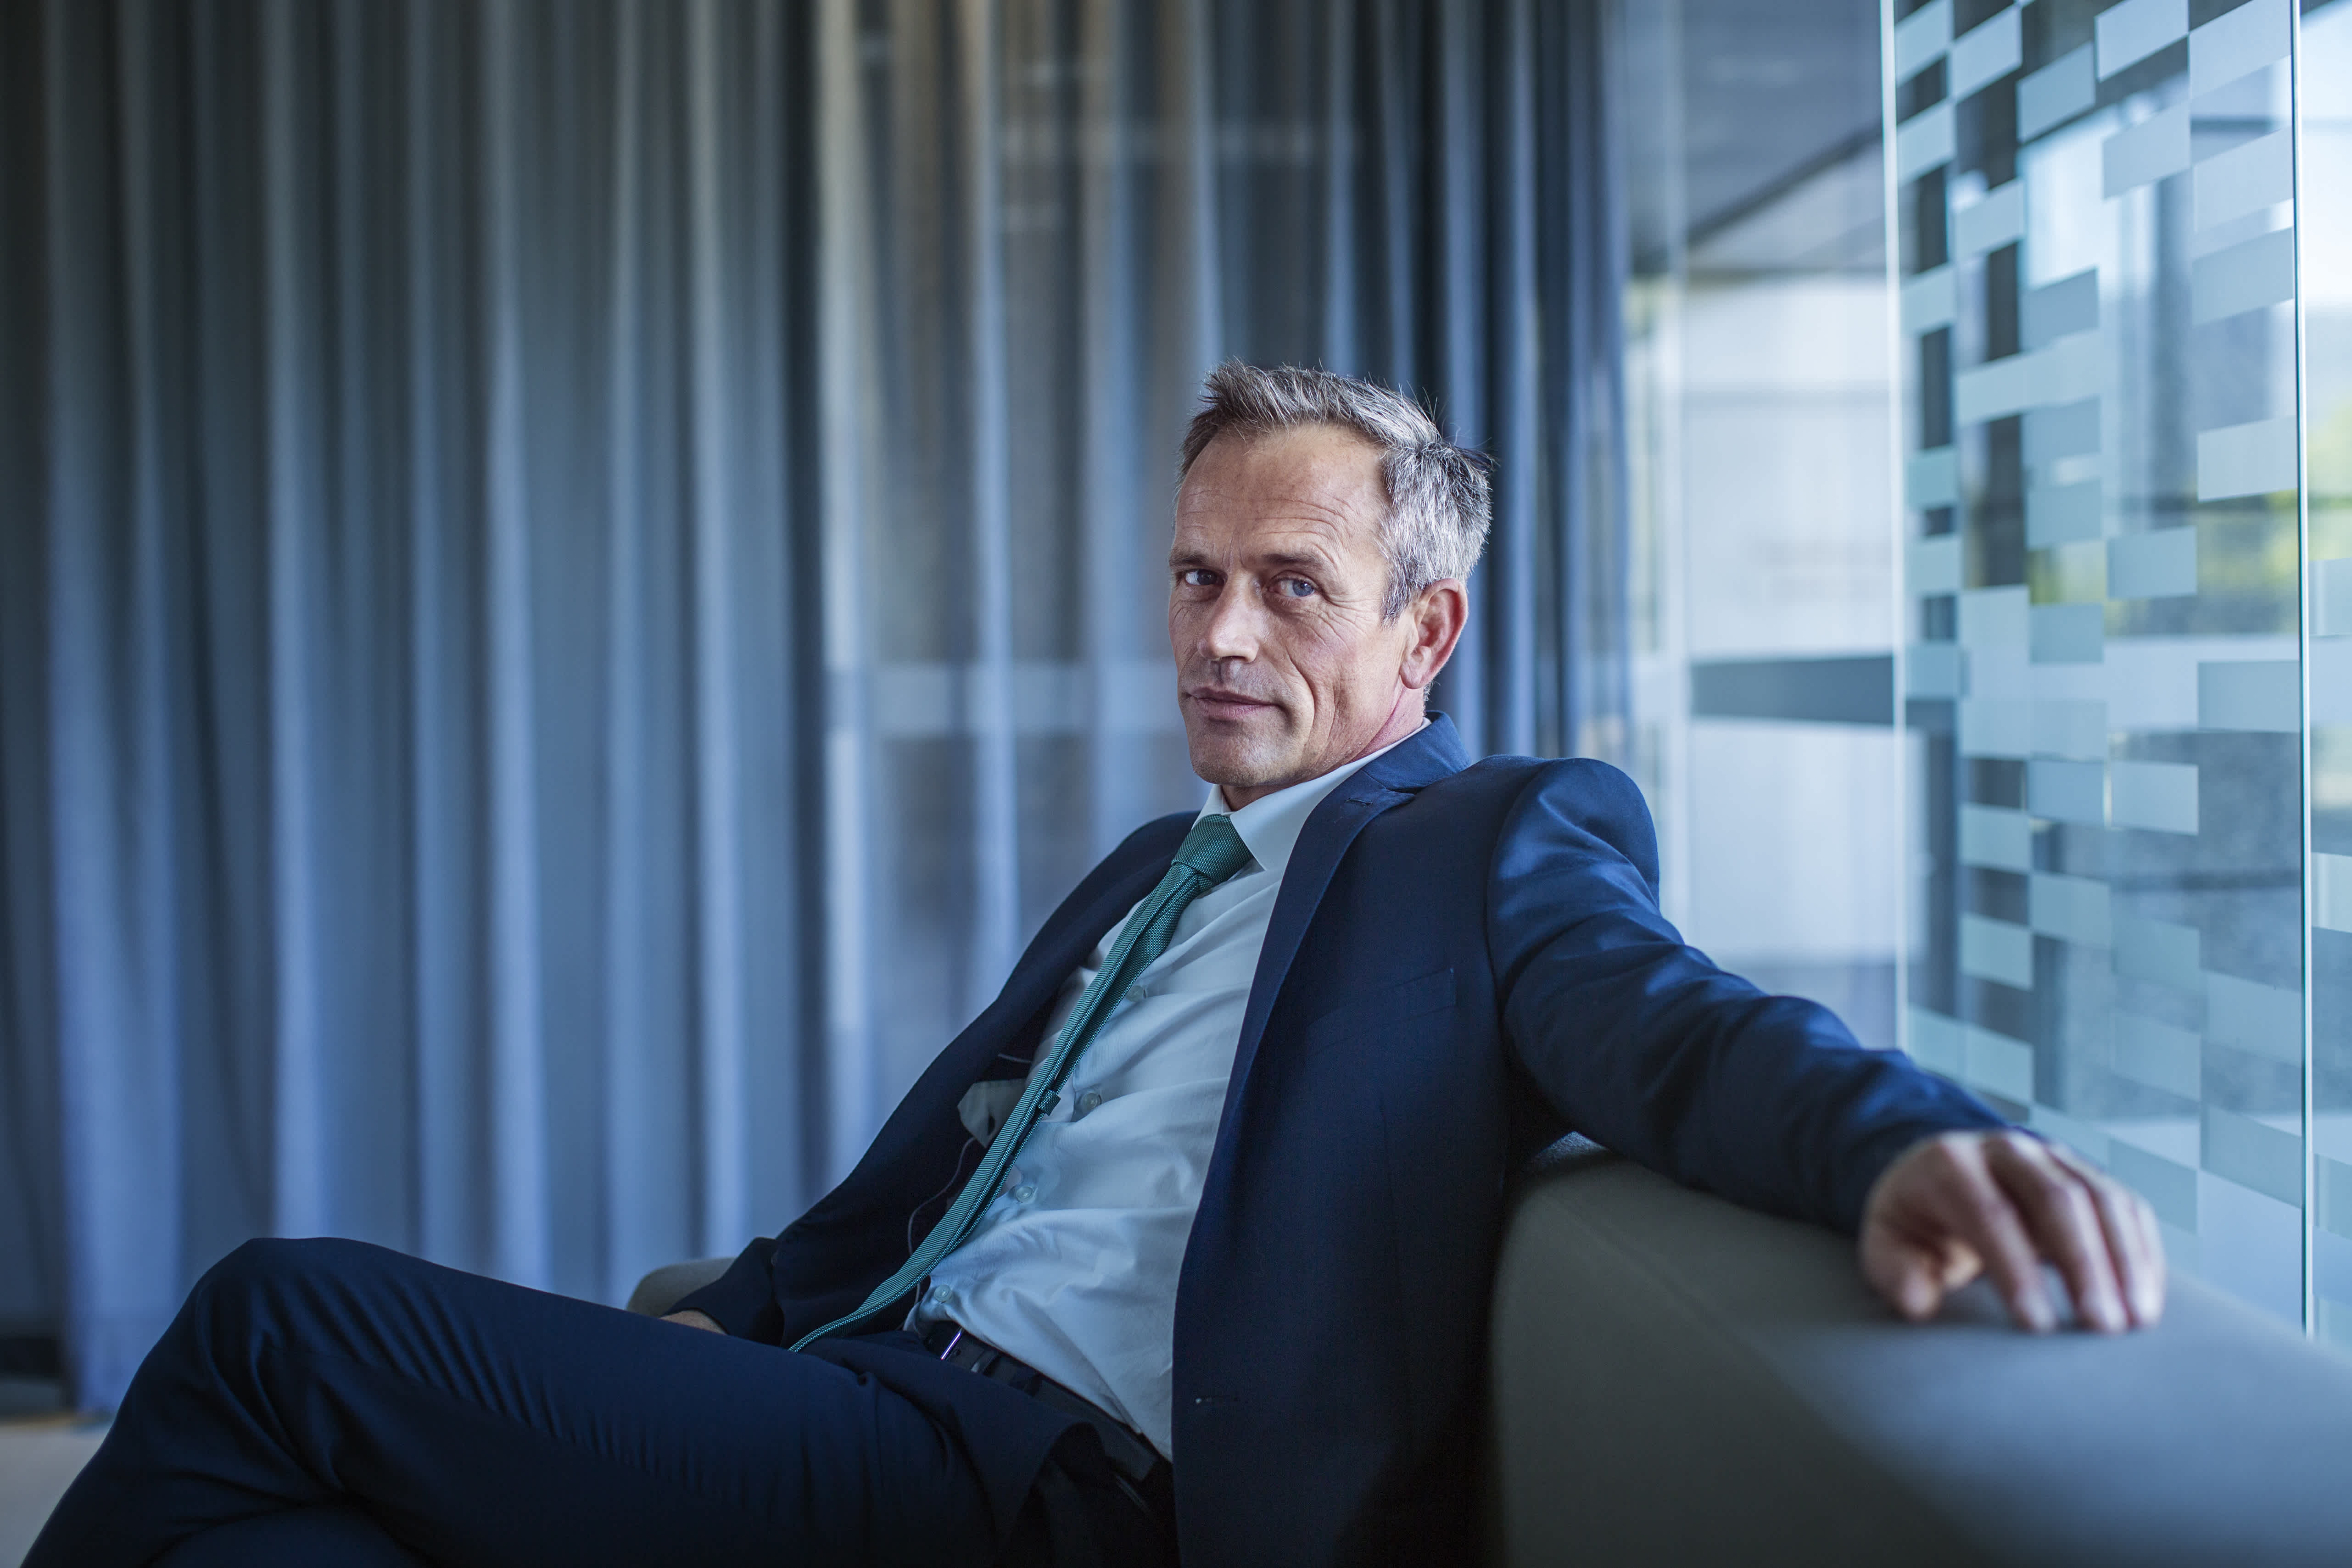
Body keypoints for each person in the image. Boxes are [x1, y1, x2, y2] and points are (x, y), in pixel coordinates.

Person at [29, 363, 2162, 1568]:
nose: (1222, 634)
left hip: (1037, 1493)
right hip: (860, 1398)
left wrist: (1906, 1140)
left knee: (272, 1320)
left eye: (1292, 589)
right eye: (1194, 576)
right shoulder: (1163, 866)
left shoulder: (1497, 844)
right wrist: (705, 1338)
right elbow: (914, 1203)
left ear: (1423, 634)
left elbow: (1672, 1022)